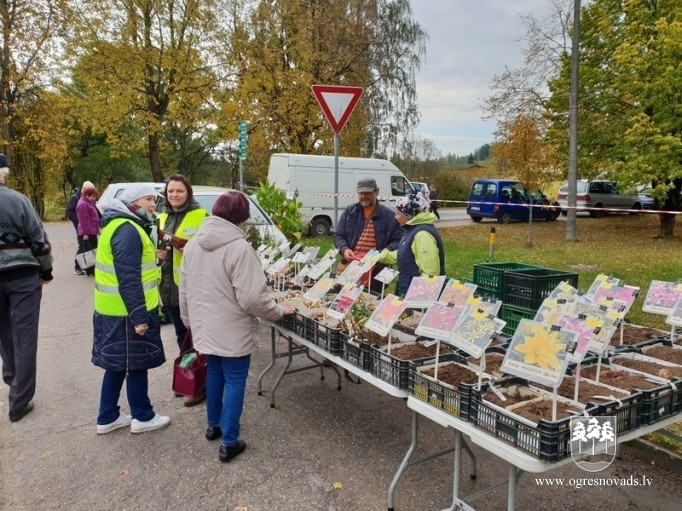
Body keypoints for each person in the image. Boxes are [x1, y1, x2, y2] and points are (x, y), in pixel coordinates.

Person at [179, 191, 294, 462]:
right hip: (232, 328)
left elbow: (184, 289)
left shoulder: (193, 245)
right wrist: (277, 312)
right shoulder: (240, 249)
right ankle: (229, 441)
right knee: (234, 379)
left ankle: (214, 425)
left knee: (214, 372)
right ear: (243, 217)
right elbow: (253, 298)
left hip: (204, 325)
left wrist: (188, 321)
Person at [92, 183, 170, 435]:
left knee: (117, 364)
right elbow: (129, 278)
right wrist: (139, 317)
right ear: (133, 202)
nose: (153, 205)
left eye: (154, 200)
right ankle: (142, 416)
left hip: (114, 310)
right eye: (148, 199)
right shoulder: (128, 229)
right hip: (127, 312)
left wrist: (154, 259)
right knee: (137, 362)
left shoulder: (119, 225)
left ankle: (108, 416)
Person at [0, 154, 54, 422]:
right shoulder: (18, 200)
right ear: (4, 173)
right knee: (25, 335)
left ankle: (13, 379)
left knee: (4, 333)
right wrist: (46, 270)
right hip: (22, 276)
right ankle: (19, 401)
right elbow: (38, 239)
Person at [156, 174, 208, 407]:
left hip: (191, 287)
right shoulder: (161, 218)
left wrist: (173, 240)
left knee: (197, 338)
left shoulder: (200, 215)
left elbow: (204, 247)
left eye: (179, 191)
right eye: (170, 191)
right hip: (167, 287)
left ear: (188, 193)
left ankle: (199, 385)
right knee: (181, 336)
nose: (174, 195)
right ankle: (187, 377)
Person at [333, 178, 404, 293]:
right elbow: (338, 235)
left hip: (376, 271)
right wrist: (344, 249)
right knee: (344, 297)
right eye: (361, 193)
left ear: (376, 191)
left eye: (368, 193)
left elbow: (399, 239)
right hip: (351, 266)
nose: (364, 196)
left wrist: (386, 250)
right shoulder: (350, 212)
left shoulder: (389, 216)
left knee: (369, 299)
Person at [380, 193, 445, 295]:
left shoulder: (422, 235)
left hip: (420, 298)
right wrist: (380, 256)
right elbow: (406, 254)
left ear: (408, 214)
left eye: (398, 213)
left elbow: (430, 272)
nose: (395, 217)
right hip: (410, 292)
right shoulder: (412, 230)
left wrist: (416, 297)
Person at [76, 182, 101, 277]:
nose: (94, 199)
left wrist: (97, 229)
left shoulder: (88, 202)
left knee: (93, 250)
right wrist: (85, 233)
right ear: (87, 195)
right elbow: (84, 220)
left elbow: (94, 217)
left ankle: (91, 269)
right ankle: (89, 270)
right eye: (93, 197)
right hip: (87, 232)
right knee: (88, 252)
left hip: (92, 231)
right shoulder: (82, 204)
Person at [65, 186, 83, 274]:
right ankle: (78, 266)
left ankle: (88, 267)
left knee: (88, 246)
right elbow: (69, 212)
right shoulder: (75, 198)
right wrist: (79, 222)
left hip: (87, 226)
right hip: (80, 225)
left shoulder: (86, 197)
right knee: (82, 245)